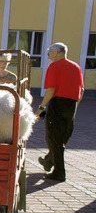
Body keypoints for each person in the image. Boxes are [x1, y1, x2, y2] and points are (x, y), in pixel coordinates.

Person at [36, 42, 84, 182]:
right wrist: (74, 105)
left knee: (53, 138)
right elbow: (81, 90)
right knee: (62, 137)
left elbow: (50, 90)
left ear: (56, 52)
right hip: (71, 105)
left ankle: (59, 173)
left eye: (49, 51)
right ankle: (48, 161)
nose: (48, 54)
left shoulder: (54, 66)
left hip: (58, 104)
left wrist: (41, 107)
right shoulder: (76, 67)